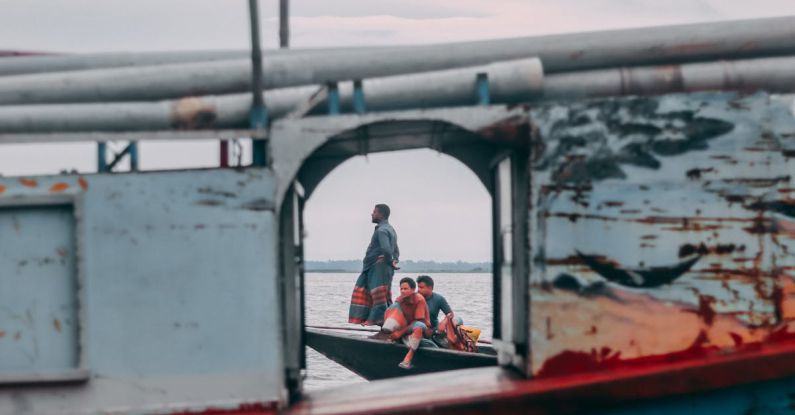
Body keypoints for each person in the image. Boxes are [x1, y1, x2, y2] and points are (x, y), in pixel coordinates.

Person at [348, 203, 400, 326]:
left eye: (374, 212)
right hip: (378, 268)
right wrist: (394, 260)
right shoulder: (390, 229)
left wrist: (388, 260)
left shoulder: (382, 230)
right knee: (381, 296)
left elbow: (387, 250)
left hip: (378, 268)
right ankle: (387, 327)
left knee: (379, 297)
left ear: (381, 214)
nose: (372, 214)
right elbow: (396, 250)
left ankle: (382, 326)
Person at [381, 277, 430, 369]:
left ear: (413, 290)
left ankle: (408, 358)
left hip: (421, 328)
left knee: (419, 326)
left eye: (405, 289)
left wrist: (400, 333)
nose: (402, 291)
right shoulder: (400, 300)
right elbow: (391, 313)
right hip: (407, 326)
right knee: (393, 308)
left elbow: (418, 321)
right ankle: (390, 337)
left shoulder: (419, 300)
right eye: (401, 289)